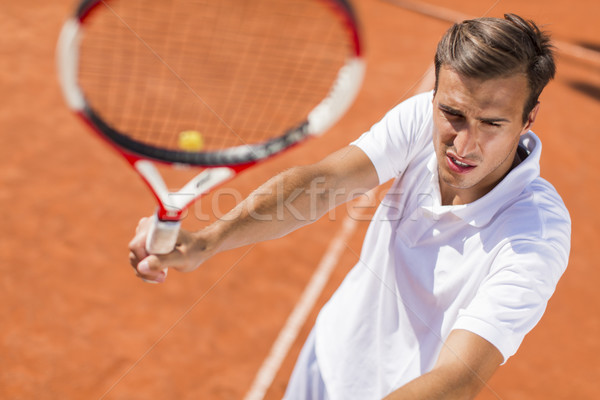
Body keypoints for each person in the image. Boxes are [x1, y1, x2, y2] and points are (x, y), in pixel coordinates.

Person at [129, 13, 571, 399]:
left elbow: (460, 376)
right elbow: (322, 184)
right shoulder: (421, 118)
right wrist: (207, 242)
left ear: (528, 118)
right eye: (452, 114)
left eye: (492, 123)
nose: (464, 143)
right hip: (329, 357)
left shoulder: (534, 234)